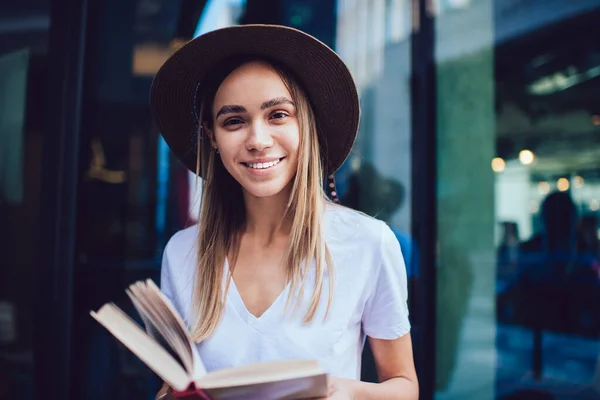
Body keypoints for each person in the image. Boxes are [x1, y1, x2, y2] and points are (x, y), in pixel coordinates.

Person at [151, 24, 418, 399]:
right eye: (234, 121)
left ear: (306, 124)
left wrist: (341, 391)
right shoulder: (182, 254)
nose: (258, 140)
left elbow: (404, 387)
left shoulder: (368, 243)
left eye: (278, 115)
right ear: (212, 137)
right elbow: (172, 385)